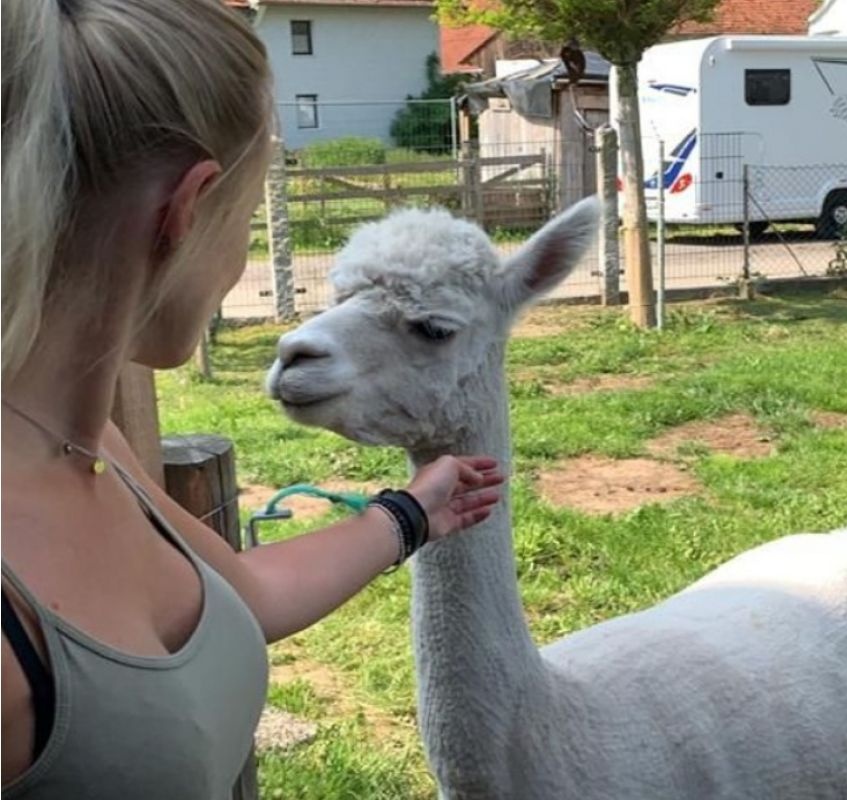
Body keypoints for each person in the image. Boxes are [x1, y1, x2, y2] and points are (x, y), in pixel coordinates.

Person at [0, 1, 503, 797]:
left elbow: (246, 596)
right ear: (188, 209)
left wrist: (412, 513)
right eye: (245, 219)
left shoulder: (85, 441)